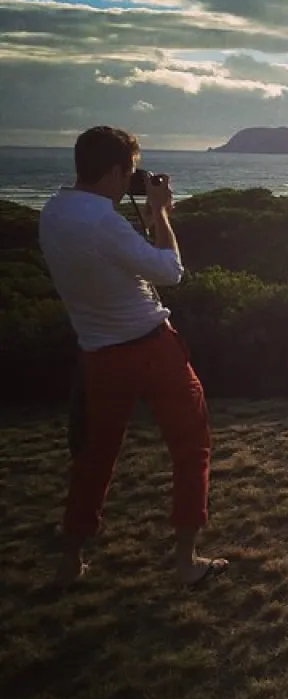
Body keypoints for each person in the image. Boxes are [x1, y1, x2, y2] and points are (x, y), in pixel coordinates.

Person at [38, 125, 228, 587]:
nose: (132, 180)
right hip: (151, 347)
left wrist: (137, 216)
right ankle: (186, 563)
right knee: (191, 447)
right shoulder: (103, 222)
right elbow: (169, 272)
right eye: (130, 173)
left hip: (98, 355)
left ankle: (70, 563)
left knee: (93, 458)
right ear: (115, 171)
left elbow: (111, 263)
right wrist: (160, 214)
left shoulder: (53, 213)